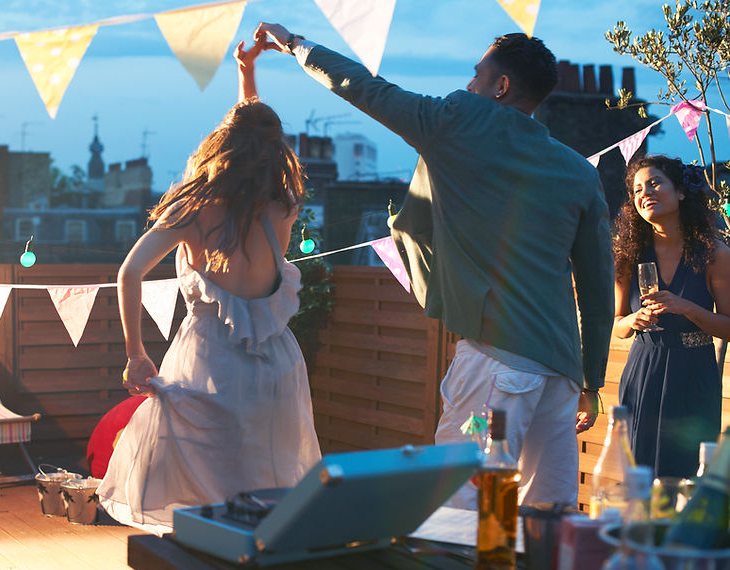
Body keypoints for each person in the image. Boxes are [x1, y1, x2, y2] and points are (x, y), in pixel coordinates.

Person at [254, 24, 614, 508]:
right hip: (561, 378)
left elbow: (367, 88)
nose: (468, 84)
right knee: (548, 518)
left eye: (477, 75)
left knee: (461, 509)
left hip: (496, 370)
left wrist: (296, 44)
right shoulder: (579, 171)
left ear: (501, 86)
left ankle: (470, 560)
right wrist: (591, 381)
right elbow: (596, 290)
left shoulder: (457, 121)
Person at [97, 39, 322, 534]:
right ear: (275, 151)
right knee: (266, 482)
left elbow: (130, 272)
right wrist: (247, 75)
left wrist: (136, 353)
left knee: (211, 485)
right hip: (277, 367)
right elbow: (256, 130)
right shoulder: (283, 207)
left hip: (211, 359)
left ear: (222, 144)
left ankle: (215, 557)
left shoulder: (194, 208)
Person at [613, 155, 730, 477]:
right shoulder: (627, 256)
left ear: (680, 192)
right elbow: (617, 324)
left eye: (654, 183)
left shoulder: (716, 254)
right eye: (638, 189)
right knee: (638, 474)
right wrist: (633, 321)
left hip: (694, 373)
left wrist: (687, 308)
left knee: (686, 474)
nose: (645, 193)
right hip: (643, 370)